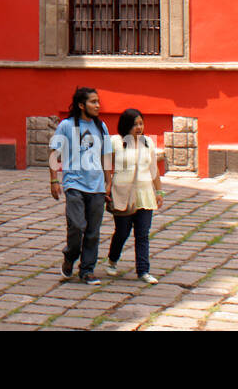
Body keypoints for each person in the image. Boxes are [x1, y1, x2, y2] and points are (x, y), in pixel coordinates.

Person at [49, 86, 113, 285]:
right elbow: (54, 152)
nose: (97, 105)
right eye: (93, 102)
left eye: (98, 101)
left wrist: (109, 181)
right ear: (81, 105)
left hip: (96, 186)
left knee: (93, 231)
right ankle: (70, 256)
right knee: (76, 226)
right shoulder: (66, 126)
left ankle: (87, 269)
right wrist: (53, 180)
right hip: (74, 183)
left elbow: (106, 155)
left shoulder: (101, 127)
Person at [105, 108, 164, 284]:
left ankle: (143, 270)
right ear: (126, 126)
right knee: (122, 232)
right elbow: (107, 164)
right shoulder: (116, 141)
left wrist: (159, 191)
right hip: (123, 191)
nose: (139, 127)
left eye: (141, 123)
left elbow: (154, 169)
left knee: (143, 233)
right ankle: (112, 260)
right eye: (135, 124)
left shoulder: (147, 143)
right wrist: (107, 183)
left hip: (145, 192)